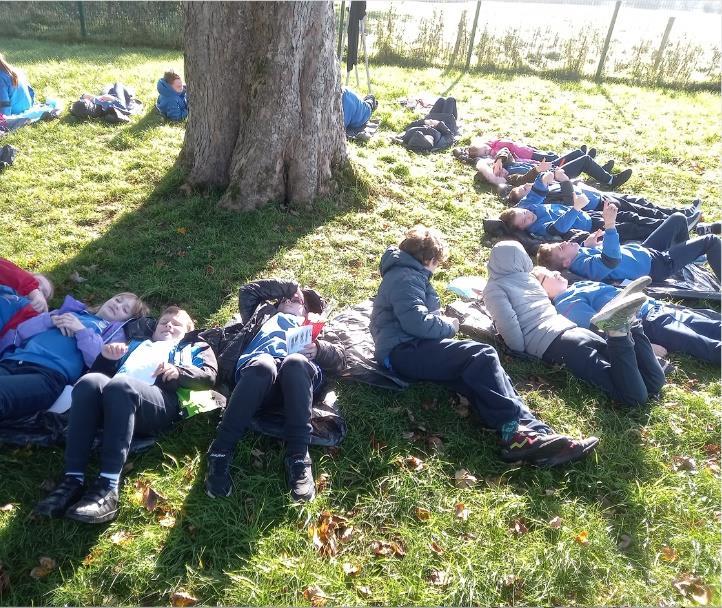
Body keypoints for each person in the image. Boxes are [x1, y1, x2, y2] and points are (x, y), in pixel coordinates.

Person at [369, 225, 598, 466]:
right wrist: (449, 325)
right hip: (402, 351)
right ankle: (515, 433)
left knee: (486, 375)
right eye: (437, 263)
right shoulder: (405, 277)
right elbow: (416, 322)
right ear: (429, 259)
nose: (436, 268)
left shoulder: (408, 275)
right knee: (482, 354)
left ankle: (536, 434)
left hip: (410, 347)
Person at [33, 307, 217, 524]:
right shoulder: (138, 344)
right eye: (164, 322)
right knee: (89, 382)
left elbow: (209, 375)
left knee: (121, 386)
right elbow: (101, 375)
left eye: (176, 324)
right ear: (154, 329)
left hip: (160, 402)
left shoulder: (194, 346)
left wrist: (179, 371)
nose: (168, 325)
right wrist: (106, 359)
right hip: (115, 397)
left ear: (188, 331)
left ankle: (108, 487)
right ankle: (72, 479)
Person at [204, 279, 346, 502]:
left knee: (294, 362)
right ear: (277, 303)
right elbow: (248, 291)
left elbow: (340, 359)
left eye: (298, 301)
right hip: (257, 380)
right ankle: (220, 451)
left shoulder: (316, 326)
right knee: (263, 365)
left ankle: (298, 457)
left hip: (299, 381)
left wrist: (319, 349)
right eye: (286, 299)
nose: (291, 299)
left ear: (307, 311)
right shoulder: (261, 315)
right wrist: (290, 288)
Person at [484, 240, 666, 407]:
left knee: (633, 397)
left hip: (557, 346)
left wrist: (518, 351)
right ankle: (632, 324)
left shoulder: (494, 288)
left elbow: (509, 324)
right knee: (653, 382)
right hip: (574, 331)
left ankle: (618, 332)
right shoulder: (528, 279)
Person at [0, 292, 147, 421]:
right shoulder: (69, 312)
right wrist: (50, 320)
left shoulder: (114, 335)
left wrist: (81, 330)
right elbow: (21, 331)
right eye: (118, 300)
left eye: (125, 309)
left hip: (47, 375)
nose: (117, 305)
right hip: (13, 361)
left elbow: (98, 361)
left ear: (127, 321)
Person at [533, 268, 721, 365]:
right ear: (541, 291)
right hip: (650, 321)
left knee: (714, 324)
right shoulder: (566, 303)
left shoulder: (578, 286)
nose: (555, 272)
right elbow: (602, 328)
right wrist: (644, 346)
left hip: (658, 308)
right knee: (705, 344)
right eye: (546, 276)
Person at [537, 203, 722, 282]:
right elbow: (610, 261)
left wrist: (588, 245)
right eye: (561, 247)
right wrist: (610, 225)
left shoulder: (578, 257)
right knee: (711, 241)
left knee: (678, 218)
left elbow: (591, 258)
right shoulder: (583, 265)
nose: (565, 242)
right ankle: (686, 256)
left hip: (645, 252)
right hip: (657, 266)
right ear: (566, 262)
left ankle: (688, 256)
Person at [499, 170, 697, 242]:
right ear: (523, 228)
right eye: (524, 221)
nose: (528, 216)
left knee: (630, 215)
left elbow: (537, 191)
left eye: (524, 213)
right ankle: (674, 230)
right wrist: (575, 208)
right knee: (631, 229)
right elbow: (558, 228)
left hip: (591, 213)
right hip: (591, 227)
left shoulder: (528, 207)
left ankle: (674, 222)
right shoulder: (537, 227)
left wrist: (544, 177)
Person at [0, 258, 53, 346]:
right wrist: (32, 288)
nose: (39, 289)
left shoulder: (26, 318)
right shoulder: (5, 282)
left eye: (44, 293)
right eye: (37, 282)